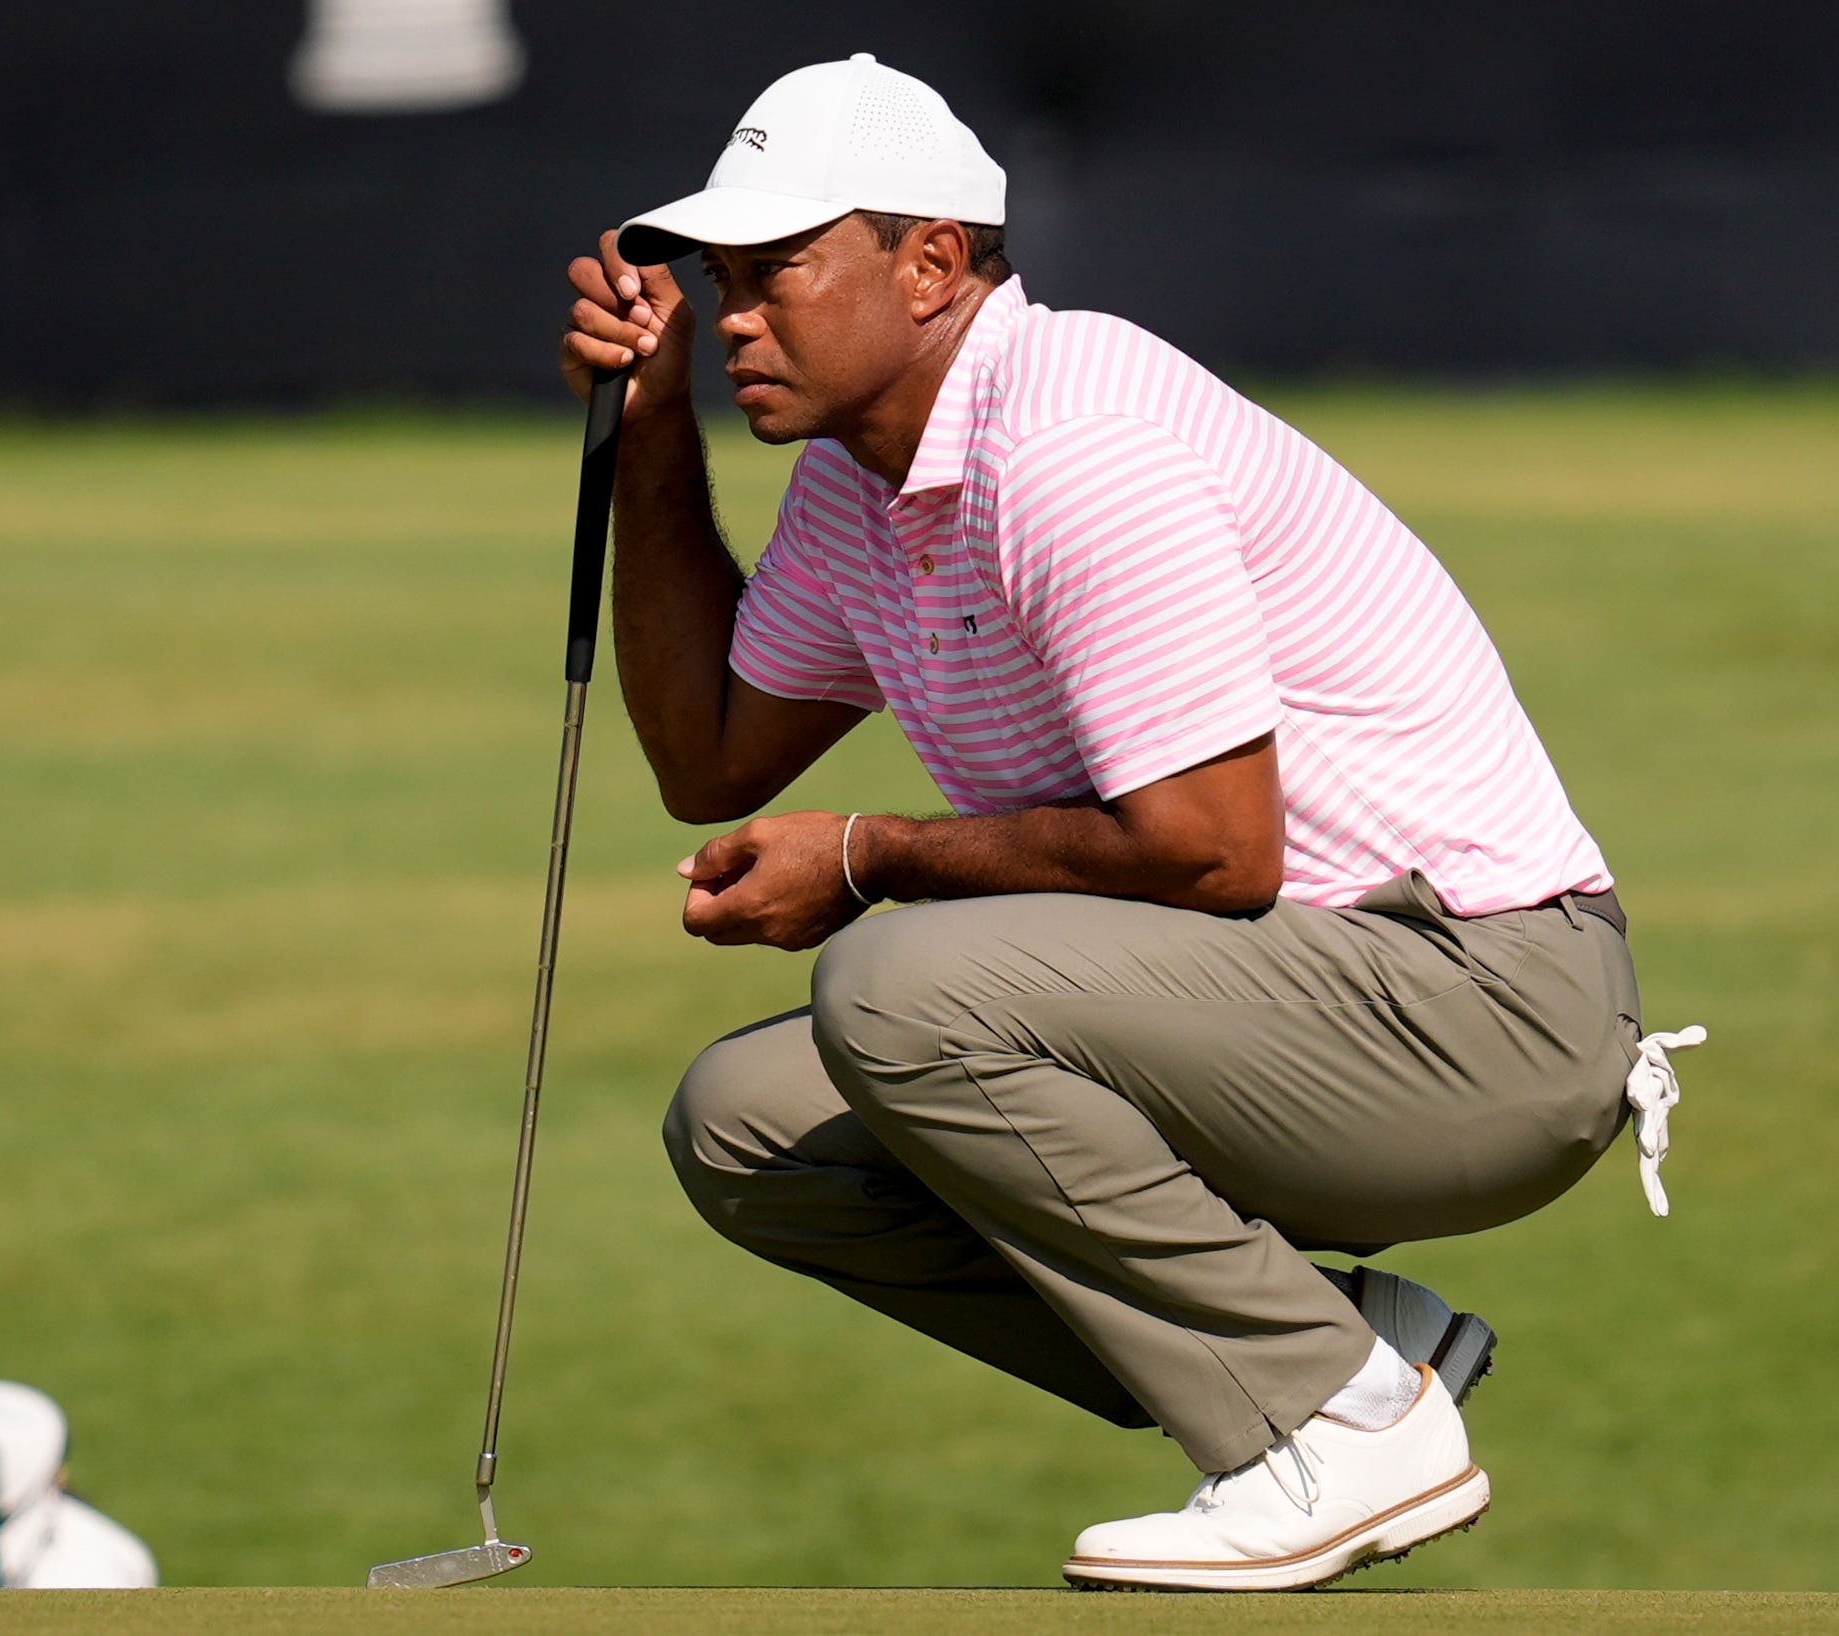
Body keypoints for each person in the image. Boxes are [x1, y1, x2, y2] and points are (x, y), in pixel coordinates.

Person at [560, 53, 1701, 1592]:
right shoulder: (856, 477)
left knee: (899, 991)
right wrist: (644, 433)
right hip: (1308, 997)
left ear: (932, 265)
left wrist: (868, 857)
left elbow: (1212, 851)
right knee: (750, 1128)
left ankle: (1333, 1422)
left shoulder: (1072, 439)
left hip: (1485, 1012)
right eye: (718, 278)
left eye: (774, 271)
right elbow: (705, 759)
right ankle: (1350, 1355)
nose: (736, 313)